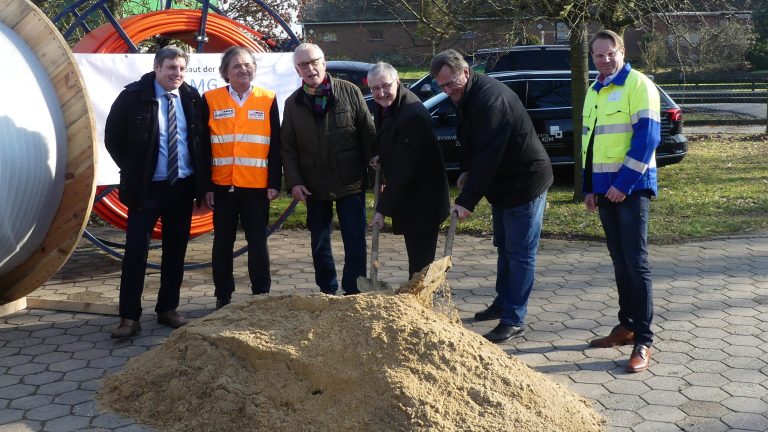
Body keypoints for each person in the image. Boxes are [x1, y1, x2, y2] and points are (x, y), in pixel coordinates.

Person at [430, 49, 553, 343]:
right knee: (504, 246)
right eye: (442, 86)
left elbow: (488, 156)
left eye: (451, 83)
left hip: (526, 182)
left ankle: (514, 318)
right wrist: (464, 169)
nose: (448, 91)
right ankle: (502, 302)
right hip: (504, 184)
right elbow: (469, 140)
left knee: (520, 253)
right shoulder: (467, 97)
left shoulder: (490, 100)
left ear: (466, 72)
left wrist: (467, 201)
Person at [104, 46, 208, 338]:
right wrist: (134, 170)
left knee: (176, 252)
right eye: (171, 68)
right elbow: (113, 137)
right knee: (136, 251)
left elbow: (199, 143)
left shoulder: (190, 97)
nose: (177, 74)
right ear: (157, 68)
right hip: (146, 191)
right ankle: (128, 318)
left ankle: (167, 309)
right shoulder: (133, 97)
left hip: (181, 188)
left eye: (182, 69)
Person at [582, 30, 660, 373]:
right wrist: (589, 187)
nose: (604, 59)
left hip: (632, 187)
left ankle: (643, 338)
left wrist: (624, 184)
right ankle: (626, 326)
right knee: (619, 260)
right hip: (603, 189)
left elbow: (648, 139)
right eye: (598, 55)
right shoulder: (594, 89)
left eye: (609, 53)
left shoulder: (639, 84)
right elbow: (590, 142)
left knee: (635, 262)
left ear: (622, 50)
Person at [281, 43, 375, 295]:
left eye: (314, 62)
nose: (310, 69)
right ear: (297, 70)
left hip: (350, 181)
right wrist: (294, 182)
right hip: (314, 185)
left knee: (355, 240)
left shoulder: (350, 92)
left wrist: (379, 178)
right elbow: (287, 148)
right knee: (320, 243)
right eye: (303, 65)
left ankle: (354, 290)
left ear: (324, 62)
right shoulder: (293, 104)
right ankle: (327, 290)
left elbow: (368, 135)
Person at [202, 47, 282, 309]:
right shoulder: (210, 99)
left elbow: (276, 145)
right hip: (222, 187)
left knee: (257, 243)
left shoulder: (268, 99)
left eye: (248, 65)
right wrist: (206, 186)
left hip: (257, 188)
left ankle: (261, 295)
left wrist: (273, 183)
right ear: (226, 71)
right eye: (237, 66)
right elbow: (202, 146)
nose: (243, 70)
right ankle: (223, 295)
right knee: (222, 244)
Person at [366, 62, 449, 279]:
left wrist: (382, 210)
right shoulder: (387, 105)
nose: (381, 92)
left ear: (398, 82)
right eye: (374, 88)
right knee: (417, 261)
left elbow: (405, 169)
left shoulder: (411, 114)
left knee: (421, 264)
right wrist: (381, 156)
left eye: (385, 86)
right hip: (410, 196)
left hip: (423, 198)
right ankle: (418, 300)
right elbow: (390, 139)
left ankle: (423, 305)